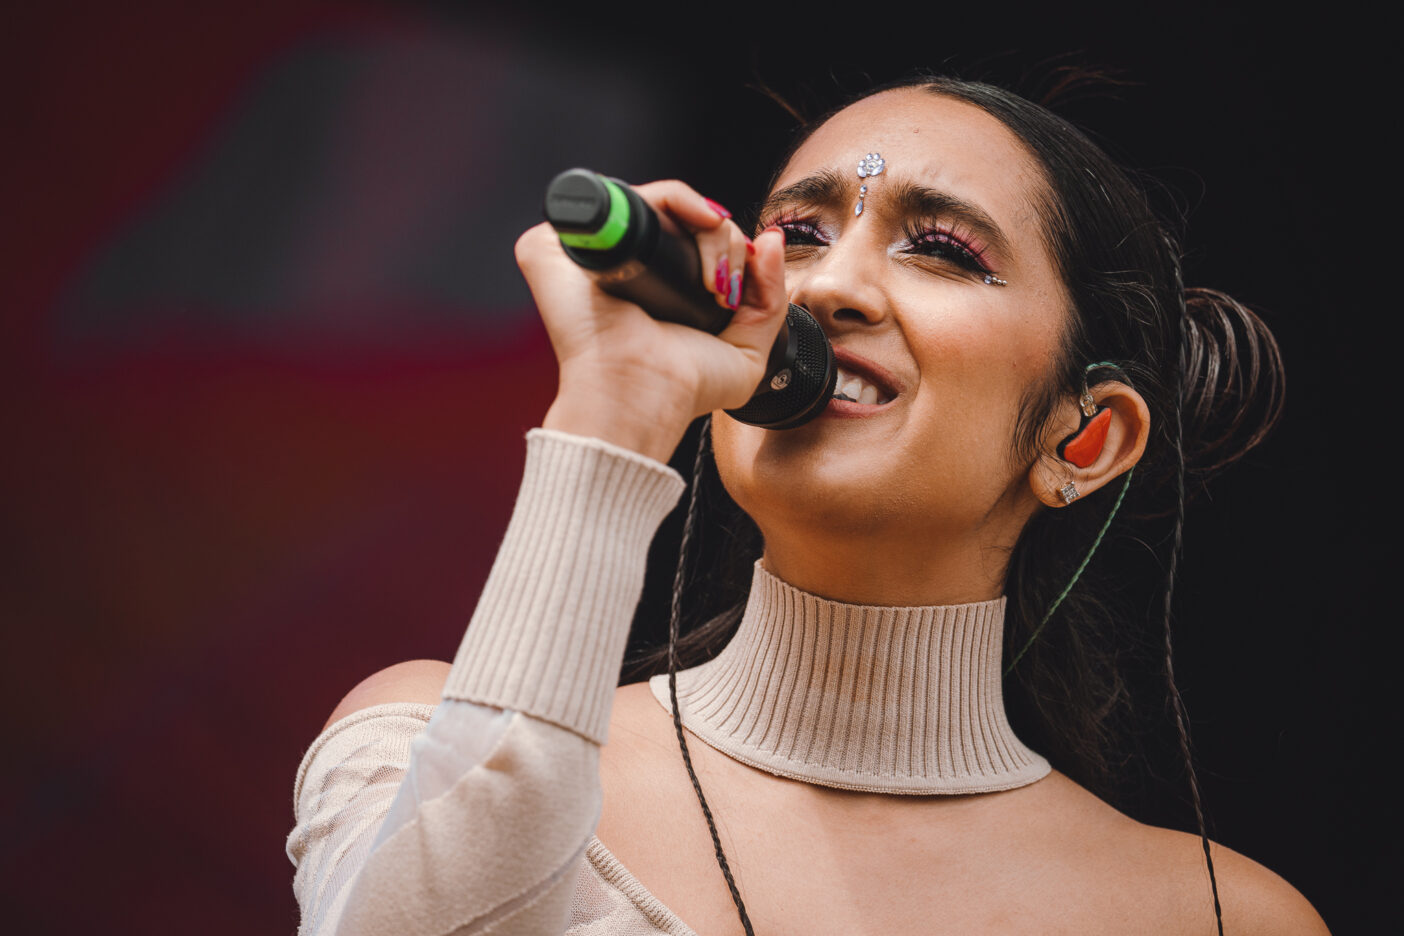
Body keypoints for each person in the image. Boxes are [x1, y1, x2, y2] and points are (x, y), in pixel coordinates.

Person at [286, 76, 1330, 935]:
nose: (827, 289)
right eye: (796, 233)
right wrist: (612, 411)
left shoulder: (1213, 917)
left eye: (942, 250)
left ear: (1083, 439)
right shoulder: (424, 743)